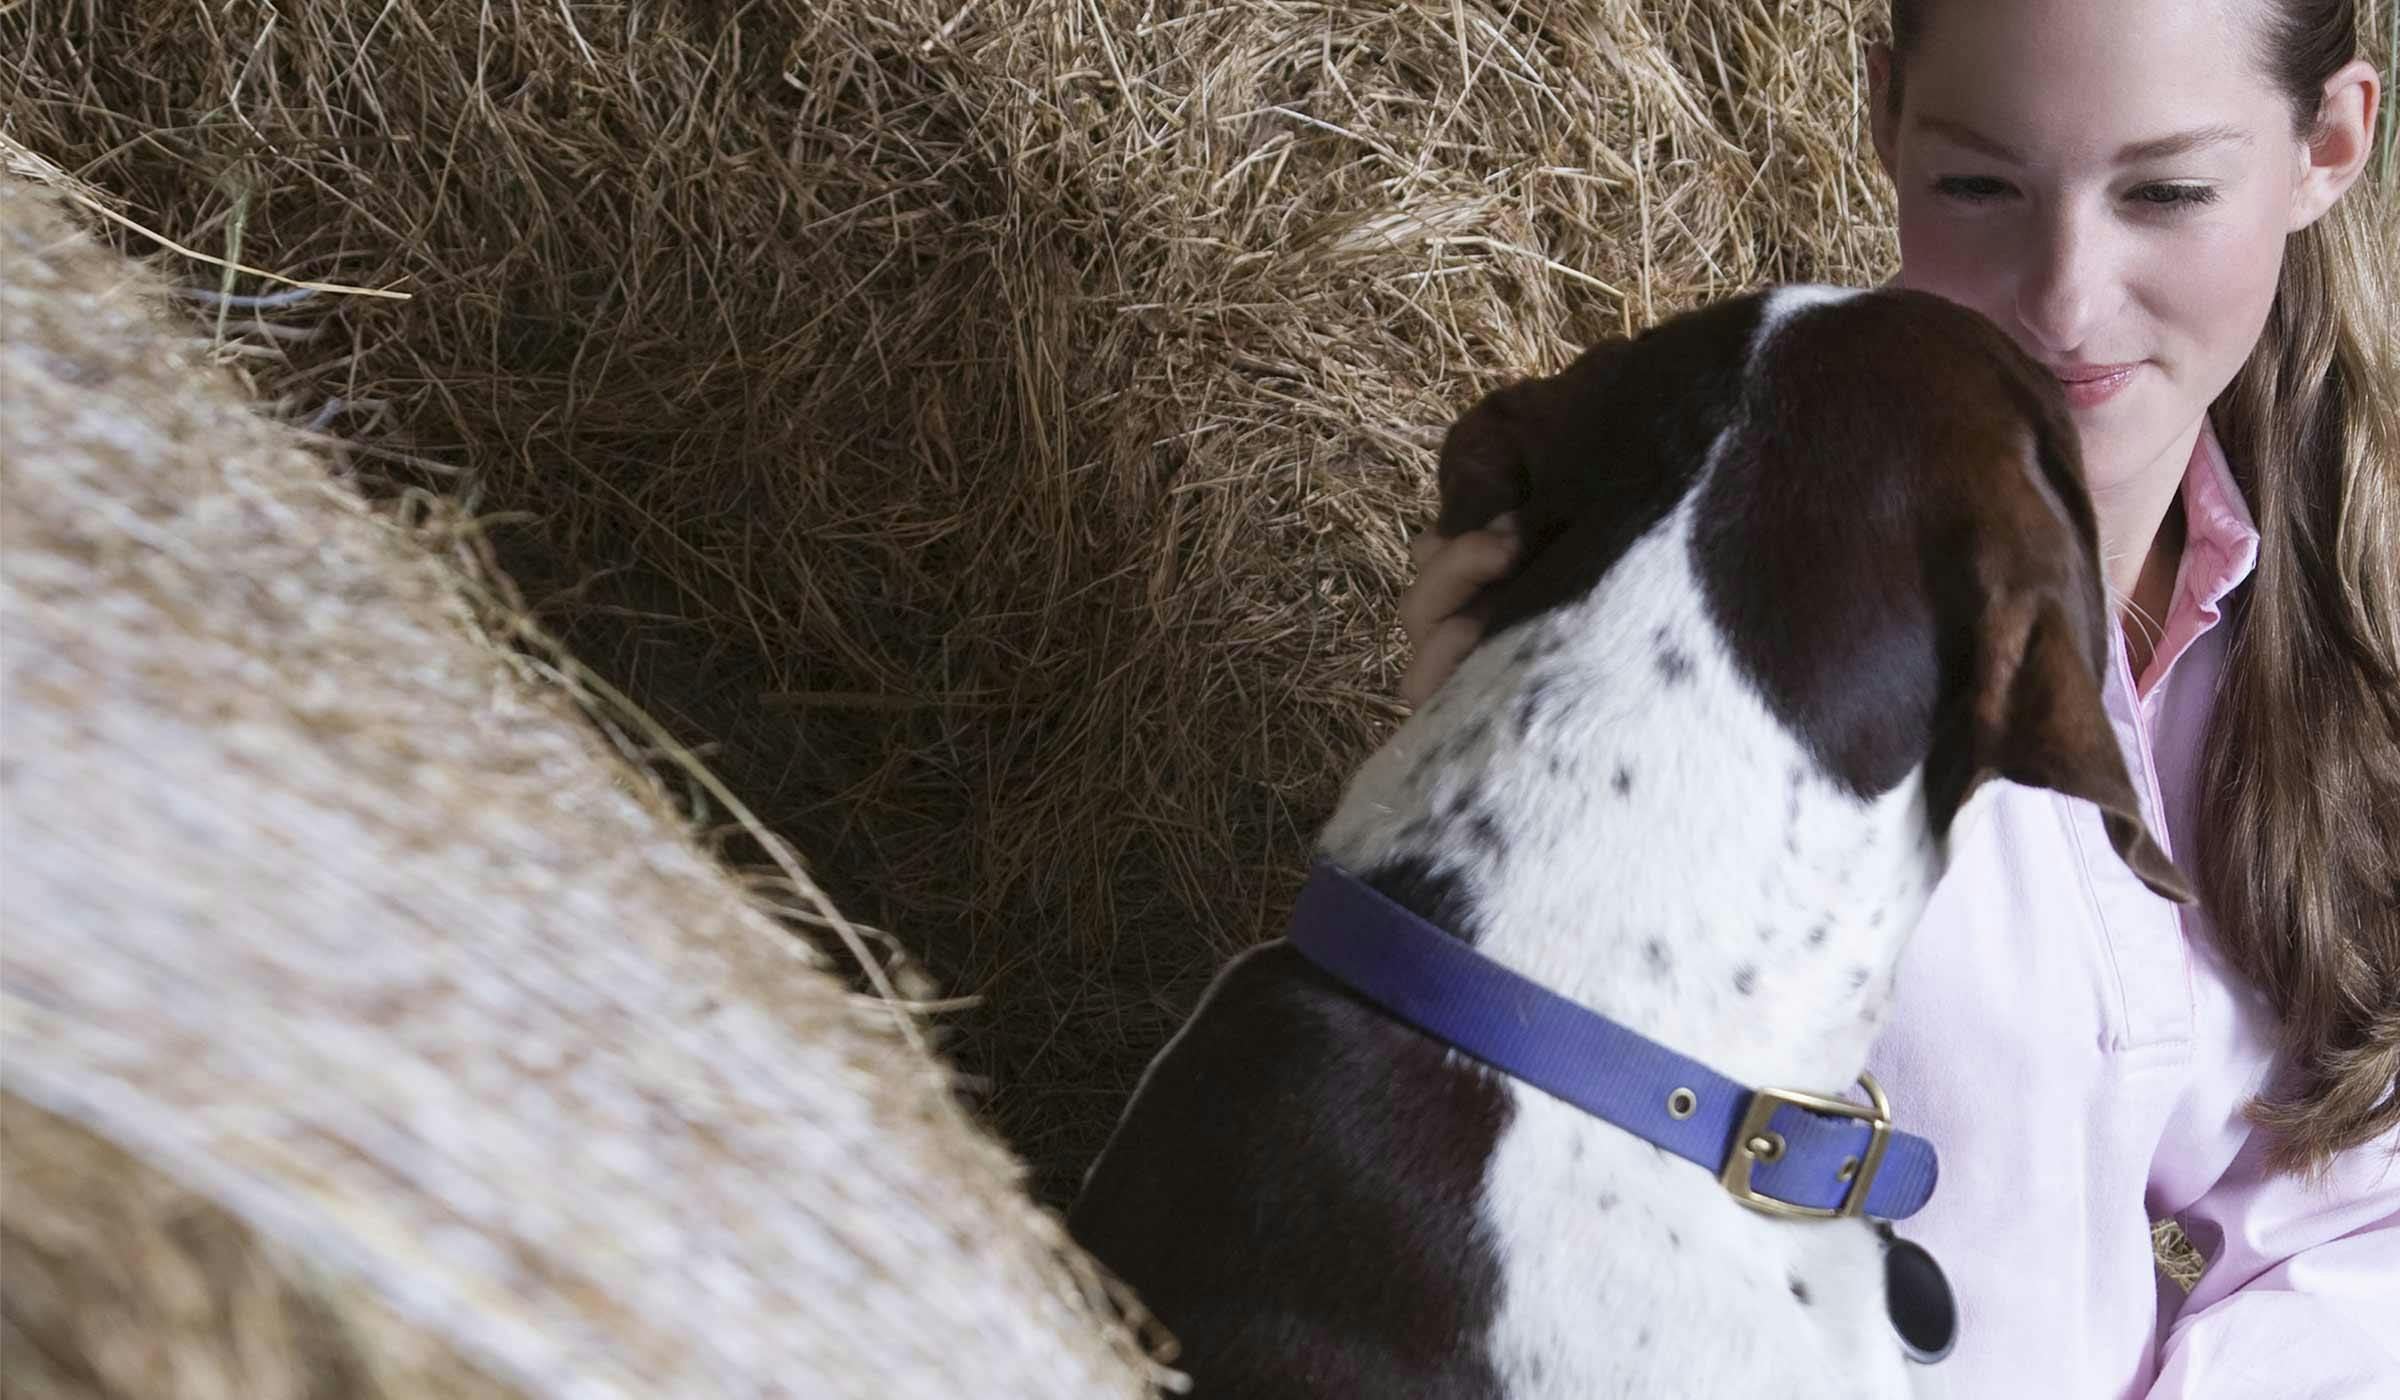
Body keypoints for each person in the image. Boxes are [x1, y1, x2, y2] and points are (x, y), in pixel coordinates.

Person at [1397, 0, 2397, 1394]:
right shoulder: (1679, 578)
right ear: (1883, 119)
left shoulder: (2346, 606)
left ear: (2330, 143)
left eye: (2166, 191)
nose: (2063, 297)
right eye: (1979, 185)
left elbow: (2358, 1227)